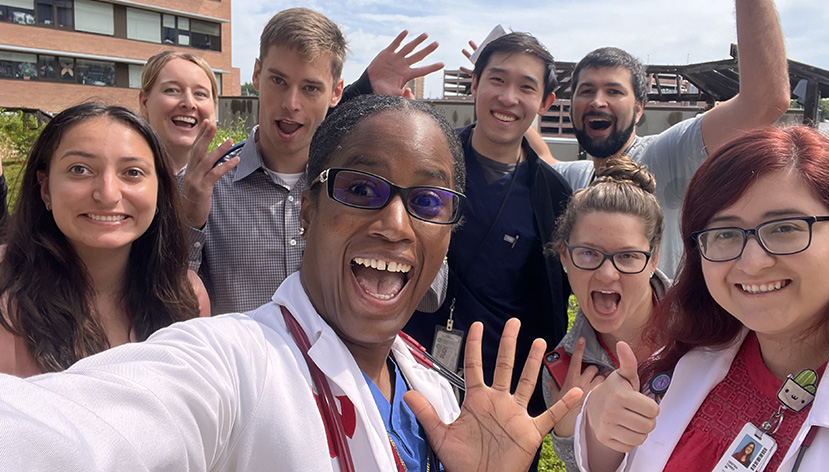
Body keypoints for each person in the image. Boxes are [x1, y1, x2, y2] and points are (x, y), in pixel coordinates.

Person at [0, 95, 582, 471]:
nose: (395, 224)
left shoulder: (432, 388)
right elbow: (69, 435)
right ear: (307, 211)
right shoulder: (231, 363)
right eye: (360, 189)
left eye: (428, 200)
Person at [575, 125, 829, 471]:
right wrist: (599, 427)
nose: (752, 262)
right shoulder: (682, 361)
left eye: (785, 228)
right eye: (726, 233)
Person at [528, 0, 791, 277]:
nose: (597, 101)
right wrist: (500, 82)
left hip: (675, 340)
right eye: (586, 91)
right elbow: (539, 152)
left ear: (639, 107)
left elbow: (766, 100)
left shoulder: (667, 154)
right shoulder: (578, 176)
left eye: (613, 90)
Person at [180, 8, 442, 314]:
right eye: (278, 80)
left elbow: (428, 296)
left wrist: (413, 177)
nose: (291, 103)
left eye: (310, 88)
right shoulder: (203, 184)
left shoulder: (360, 187)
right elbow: (164, 302)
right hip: (238, 361)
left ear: (336, 93)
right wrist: (189, 222)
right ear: (256, 75)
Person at [404, 32, 572, 468]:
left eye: (527, 87)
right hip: (410, 362)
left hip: (504, 387)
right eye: (497, 80)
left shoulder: (553, 195)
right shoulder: (426, 160)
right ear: (474, 85)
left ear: (546, 102)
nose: (508, 97)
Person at [0, 103, 209, 377]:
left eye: (133, 172)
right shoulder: (6, 285)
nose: (108, 194)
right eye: (80, 170)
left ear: (159, 190)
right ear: (45, 187)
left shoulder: (185, 295)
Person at [540, 157, 668, 471]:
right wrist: (571, 432)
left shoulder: (709, 325)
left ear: (654, 259)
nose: (607, 274)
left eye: (626, 256)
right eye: (588, 253)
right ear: (564, 256)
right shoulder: (564, 374)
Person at [139, 51, 219, 173]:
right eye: (172, 90)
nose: (189, 103)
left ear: (214, 108)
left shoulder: (228, 183)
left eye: (200, 94)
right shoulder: (117, 179)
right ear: (144, 102)